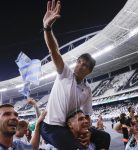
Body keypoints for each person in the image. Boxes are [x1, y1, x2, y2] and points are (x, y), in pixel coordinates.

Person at [40, 0, 96, 149]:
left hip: (69, 127)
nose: (79, 66)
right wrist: (47, 28)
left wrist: (87, 131)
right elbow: (54, 51)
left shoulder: (87, 90)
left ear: (89, 71)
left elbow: (88, 114)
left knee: (104, 137)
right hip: (52, 127)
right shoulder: (65, 74)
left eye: (85, 65)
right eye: (79, 62)